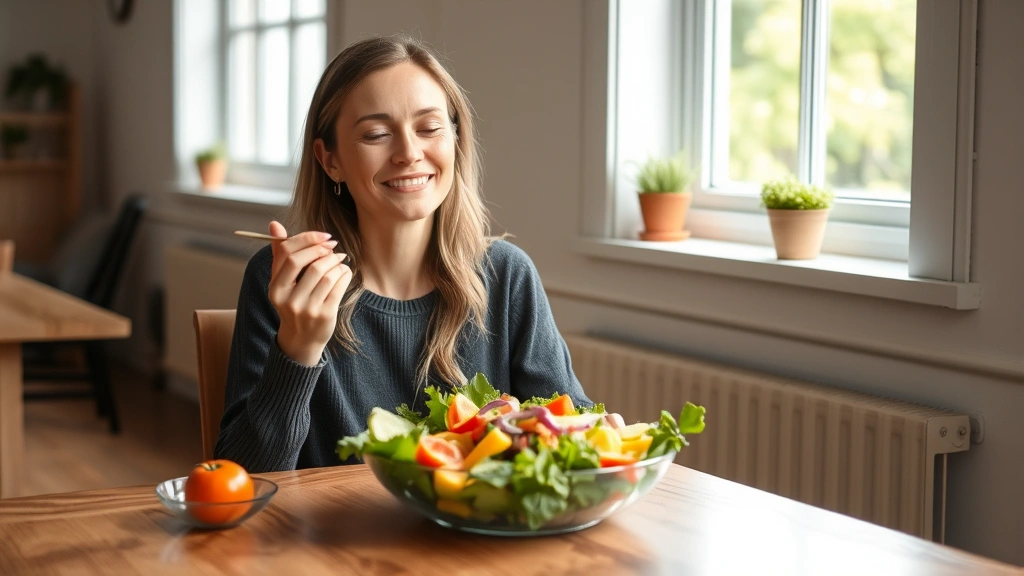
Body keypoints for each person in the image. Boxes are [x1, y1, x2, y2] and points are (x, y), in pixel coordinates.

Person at [215, 35, 593, 473]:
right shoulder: (282, 281)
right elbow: (242, 480)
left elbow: (574, 438)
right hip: (331, 542)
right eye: (376, 134)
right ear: (329, 159)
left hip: (477, 540)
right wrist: (297, 350)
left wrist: (597, 432)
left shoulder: (508, 277)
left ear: (455, 139)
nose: (409, 153)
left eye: (430, 128)